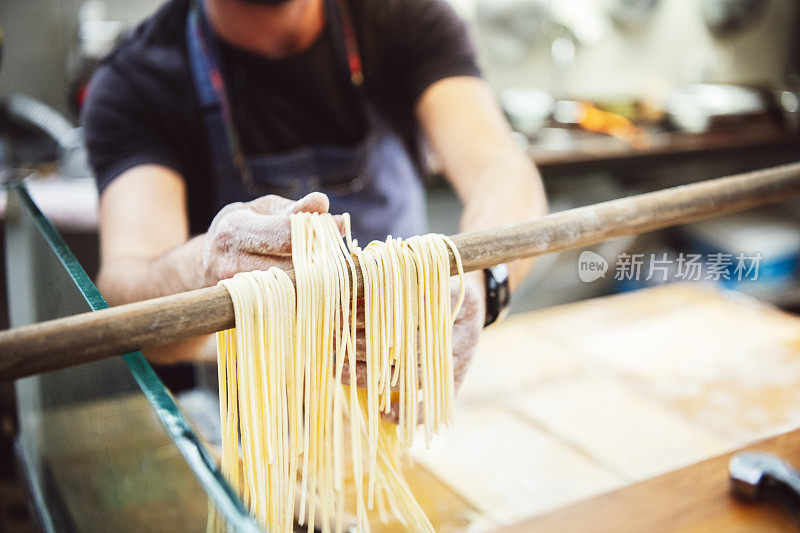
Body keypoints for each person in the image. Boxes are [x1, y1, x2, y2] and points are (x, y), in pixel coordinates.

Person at [81, 0, 548, 387]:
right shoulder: (135, 81)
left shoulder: (402, 16)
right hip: (256, 425)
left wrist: (478, 283)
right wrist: (207, 266)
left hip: (404, 386)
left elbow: (502, 169)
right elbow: (127, 290)